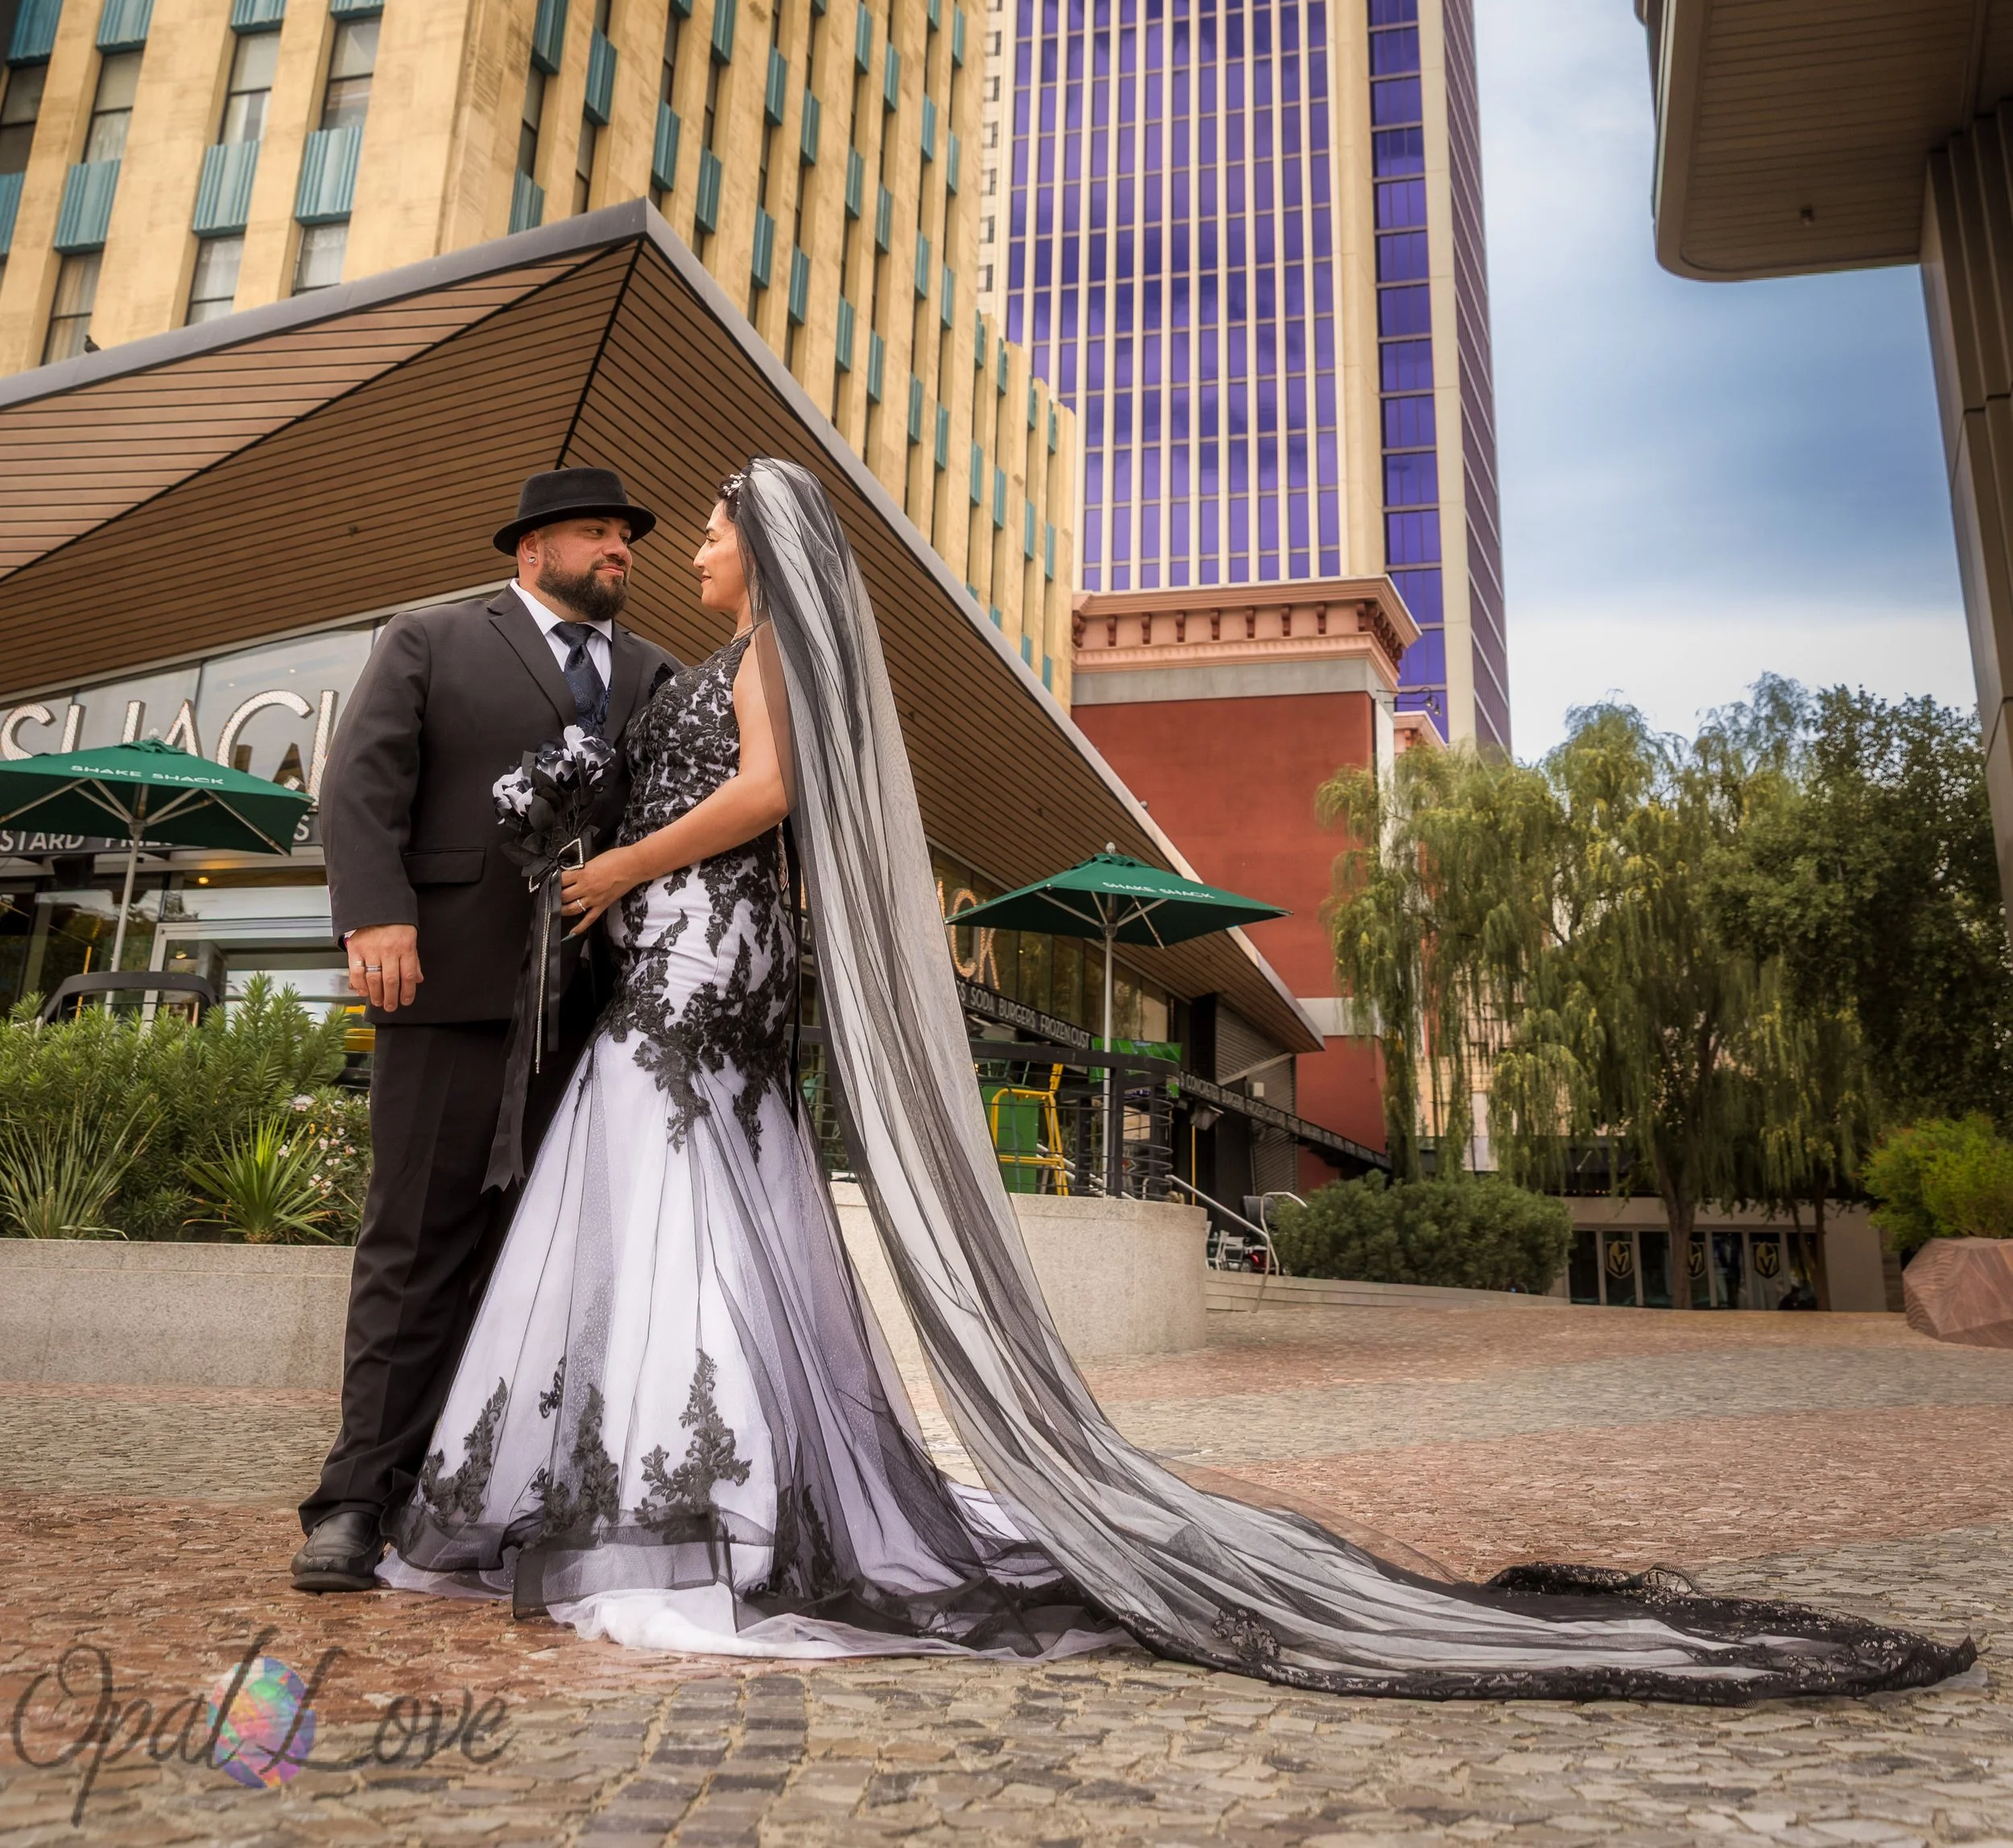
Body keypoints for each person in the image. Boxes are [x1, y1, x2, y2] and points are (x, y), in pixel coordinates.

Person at [380, 460, 1973, 1699]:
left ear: (769, 549)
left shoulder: (771, 656)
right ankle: (640, 1490)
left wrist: (616, 873)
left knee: (693, 1226)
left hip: (698, 966)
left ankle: (691, 1507)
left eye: (713, 528)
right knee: (672, 1222)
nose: (696, 546)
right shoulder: (714, 654)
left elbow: (772, 794)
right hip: (672, 964)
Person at [295, 466, 675, 1597]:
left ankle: (489, 1494)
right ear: (530, 550)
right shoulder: (430, 638)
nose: (619, 548)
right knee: (414, 1244)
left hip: (598, 1013)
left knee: (548, 1264)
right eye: (596, 532)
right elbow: (360, 785)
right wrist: (376, 912)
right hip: (448, 983)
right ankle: (356, 1497)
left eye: (626, 535)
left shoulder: (655, 673)